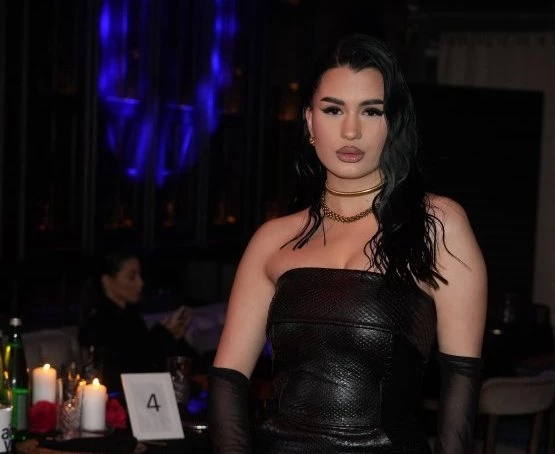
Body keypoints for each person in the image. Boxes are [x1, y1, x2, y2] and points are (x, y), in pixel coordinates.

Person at [209, 33, 487, 453]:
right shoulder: (272, 239)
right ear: (309, 122)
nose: (351, 130)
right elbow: (228, 381)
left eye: (371, 111)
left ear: (391, 122)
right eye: (333, 109)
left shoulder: (438, 225)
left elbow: (460, 388)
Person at [78, 250, 197, 392]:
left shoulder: (130, 315)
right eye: (131, 277)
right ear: (107, 281)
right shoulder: (98, 323)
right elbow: (132, 365)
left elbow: (150, 354)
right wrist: (163, 334)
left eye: (140, 276)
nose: (141, 283)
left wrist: (173, 336)